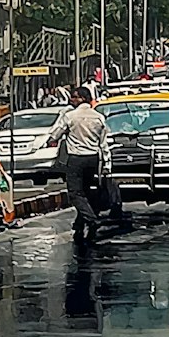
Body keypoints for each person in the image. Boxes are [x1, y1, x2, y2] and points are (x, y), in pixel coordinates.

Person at [47, 86, 108, 244]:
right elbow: (104, 144)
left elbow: (55, 134)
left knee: (75, 194)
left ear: (82, 98)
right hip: (93, 158)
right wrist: (107, 165)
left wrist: (53, 139)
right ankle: (79, 225)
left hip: (76, 158)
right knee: (86, 192)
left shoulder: (70, 116)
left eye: (74, 97)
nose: (71, 100)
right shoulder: (99, 117)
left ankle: (91, 219)